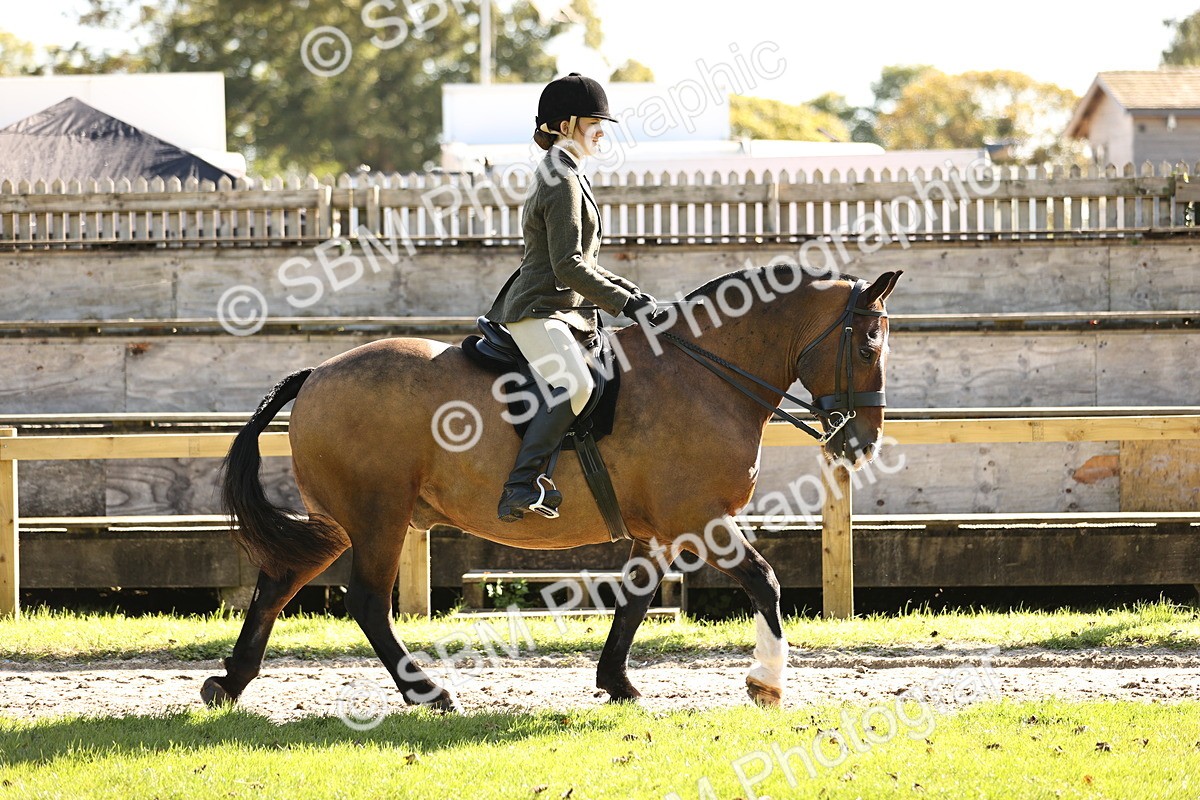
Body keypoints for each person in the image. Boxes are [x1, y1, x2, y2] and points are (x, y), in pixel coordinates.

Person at [483, 72, 669, 523]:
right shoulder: (559, 178)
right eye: (594, 123)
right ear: (566, 125)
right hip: (538, 310)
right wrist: (627, 306)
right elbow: (568, 267)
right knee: (577, 383)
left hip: (565, 311)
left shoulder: (569, 172)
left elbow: (584, 261)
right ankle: (521, 485)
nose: (602, 132)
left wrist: (636, 296)